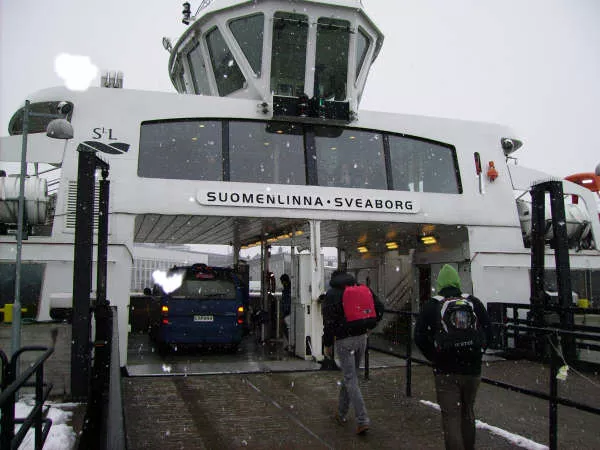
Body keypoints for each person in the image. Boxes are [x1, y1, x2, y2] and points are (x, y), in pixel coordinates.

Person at [414, 264, 492, 450]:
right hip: (472, 370)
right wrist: (478, 352)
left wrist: (434, 357)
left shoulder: (432, 305)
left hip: (445, 370)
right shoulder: (473, 302)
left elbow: (419, 337)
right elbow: (489, 331)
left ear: (439, 283)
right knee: (468, 412)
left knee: (451, 416)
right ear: (457, 282)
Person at [322, 270, 383, 436]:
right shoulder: (360, 288)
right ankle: (341, 413)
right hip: (361, 338)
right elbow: (380, 308)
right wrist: (370, 326)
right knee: (350, 376)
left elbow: (328, 323)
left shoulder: (332, 294)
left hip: (344, 340)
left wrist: (327, 343)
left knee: (350, 378)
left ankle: (362, 420)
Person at [279, 273, 292, 349]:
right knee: (287, 328)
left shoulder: (287, 290)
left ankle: (290, 343)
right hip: (288, 311)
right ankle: (290, 343)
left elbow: (287, 301)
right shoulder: (289, 288)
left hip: (287, 312)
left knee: (286, 328)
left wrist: (285, 312)